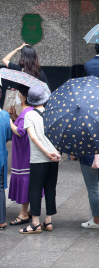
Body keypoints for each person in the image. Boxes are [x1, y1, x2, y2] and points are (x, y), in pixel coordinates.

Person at [21, 85, 61, 234]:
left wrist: (45, 152)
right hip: (54, 157)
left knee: (35, 189)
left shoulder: (30, 115)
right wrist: (54, 152)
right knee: (50, 188)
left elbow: (32, 136)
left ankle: (35, 223)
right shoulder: (53, 113)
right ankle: (48, 221)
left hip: (39, 158)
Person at [7, 90, 36, 227]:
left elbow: (20, 131)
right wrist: (14, 117)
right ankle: (28, 210)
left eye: (19, 94)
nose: (17, 97)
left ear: (24, 97)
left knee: (24, 178)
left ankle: (23, 213)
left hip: (23, 153)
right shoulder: (28, 111)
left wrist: (8, 120)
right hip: (25, 150)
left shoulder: (26, 112)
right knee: (28, 179)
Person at [0, 93, 10, 229]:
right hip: (0, 157)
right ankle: (1, 219)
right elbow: (8, 136)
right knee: (0, 188)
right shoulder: (4, 116)